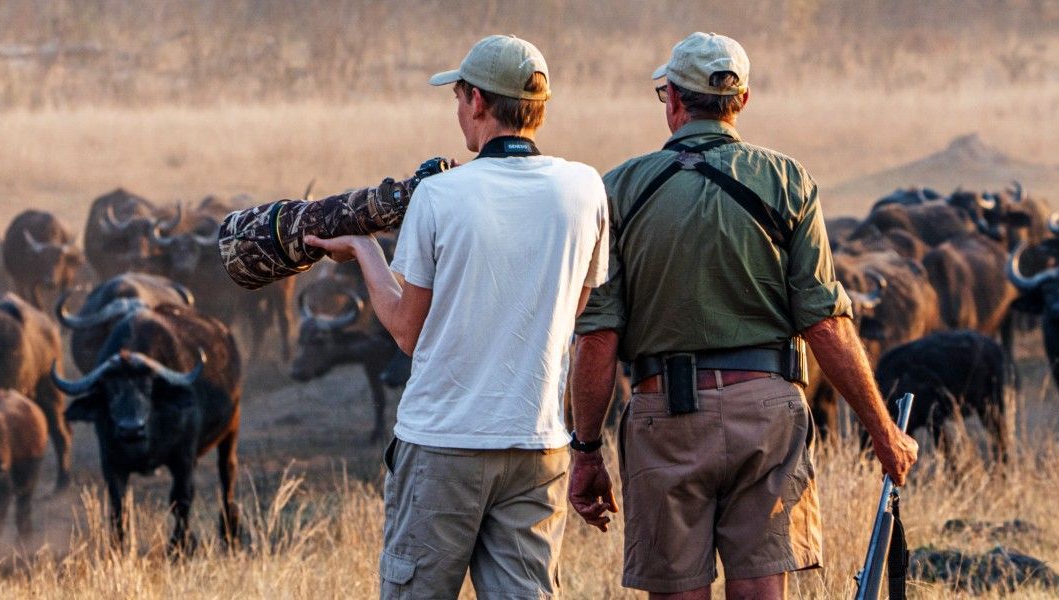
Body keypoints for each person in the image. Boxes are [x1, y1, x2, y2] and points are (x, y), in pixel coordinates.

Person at [565, 32, 919, 599]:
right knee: (761, 593)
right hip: (767, 412)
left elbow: (598, 338)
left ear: (674, 102)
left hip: (665, 417)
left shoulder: (619, 189)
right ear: (742, 102)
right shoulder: (788, 181)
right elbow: (825, 324)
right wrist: (883, 434)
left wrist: (585, 451)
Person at [304, 34, 609, 600]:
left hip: (443, 444)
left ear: (476, 101)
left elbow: (406, 331)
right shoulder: (585, 188)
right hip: (537, 444)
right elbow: (576, 308)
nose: (457, 111)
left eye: (457, 96)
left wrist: (365, 251)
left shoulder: (440, 196)